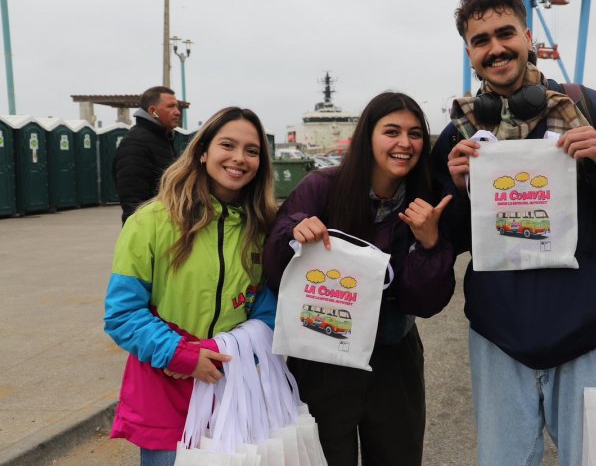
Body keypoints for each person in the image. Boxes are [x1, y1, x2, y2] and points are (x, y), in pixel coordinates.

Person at [431, 0, 596, 466]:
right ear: (470, 53)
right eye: (481, 40)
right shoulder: (457, 134)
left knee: (590, 458)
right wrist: (459, 188)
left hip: (586, 327)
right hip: (499, 333)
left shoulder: (584, 108)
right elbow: (447, 239)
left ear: (528, 37)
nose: (496, 48)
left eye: (506, 33)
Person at [263, 92, 456, 466]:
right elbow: (274, 268)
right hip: (321, 355)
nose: (405, 143)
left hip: (393, 357)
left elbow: (425, 303)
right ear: (367, 136)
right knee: (323, 458)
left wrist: (430, 244)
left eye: (415, 133)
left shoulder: (425, 200)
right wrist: (294, 233)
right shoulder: (322, 186)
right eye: (392, 131)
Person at [104, 107, 278, 466]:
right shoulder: (150, 222)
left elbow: (269, 313)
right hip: (165, 395)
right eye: (227, 145)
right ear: (202, 151)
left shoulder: (263, 229)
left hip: (234, 390)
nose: (239, 158)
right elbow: (122, 314)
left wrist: (218, 352)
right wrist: (182, 356)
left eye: (252, 150)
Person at [113, 86, 182, 224]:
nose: (177, 112)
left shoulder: (164, 138)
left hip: (167, 226)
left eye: (177, 107)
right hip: (150, 231)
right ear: (153, 111)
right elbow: (133, 203)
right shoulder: (135, 144)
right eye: (171, 107)